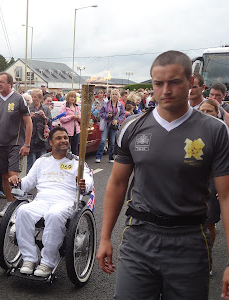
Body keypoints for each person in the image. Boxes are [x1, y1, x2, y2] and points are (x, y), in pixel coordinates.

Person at [96, 50, 229, 300]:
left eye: (174, 82)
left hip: (189, 241)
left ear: (191, 83)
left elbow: (227, 196)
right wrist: (104, 238)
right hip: (139, 238)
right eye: (159, 83)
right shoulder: (132, 127)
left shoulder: (215, 130)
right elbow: (117, 183)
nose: (165, 90)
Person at [9, 126, 93, 277]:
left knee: (54, 215)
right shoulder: (42, 161)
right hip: (42, 199)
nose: (63, 141)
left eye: (65, 138)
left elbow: (88, 183)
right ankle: (29, 258)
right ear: (50, 142)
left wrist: (83, 184)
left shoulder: (77, 162)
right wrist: (17, 181)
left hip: (66, 201)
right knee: (23, 211)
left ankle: (48, 262)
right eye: (59, 138)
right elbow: (28, 183)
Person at [0, 72, 32, 217]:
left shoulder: (19, 99)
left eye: (2, 81)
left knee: (13, 175)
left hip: (15, 143)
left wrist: (26, 144)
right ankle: (9, 204)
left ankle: (17, 207)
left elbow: (28, 122)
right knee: (4, 176)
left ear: (10, 84)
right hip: (0, 144)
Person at [199, 99, 222, 265]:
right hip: (193, 181)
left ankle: (207, 257)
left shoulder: (222, 132)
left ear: (217, 113)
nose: (205, 114)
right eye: (202, 111)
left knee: (209, 222)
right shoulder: (189, 130)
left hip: (214, 181)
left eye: (209, 111)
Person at [94, 88, 125, 163]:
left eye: (116, 94)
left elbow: (122, 114)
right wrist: (107, 115)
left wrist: (117, 120)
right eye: (113, 94)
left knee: (112, 141)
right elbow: (101, 113)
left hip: (114, 125)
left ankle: (111, 157)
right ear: (110, 95)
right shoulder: (106, 103)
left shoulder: (120, 105)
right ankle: (98, 157)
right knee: (103, 140)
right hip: (106, 123)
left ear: (118, 96)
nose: (114, 96)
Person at [27, 89, 52, 172]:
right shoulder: (28, 108)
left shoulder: (45, 108)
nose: (34, 99)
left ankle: (40, 182)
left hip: (42, 140)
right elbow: (22, 123)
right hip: (32, 139)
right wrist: (29, 118)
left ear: (40, 98)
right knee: (31, 164)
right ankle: (30, 183)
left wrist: (44, 117)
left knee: (42, 164)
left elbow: (50, 123)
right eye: (32, 97)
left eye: (36, 97)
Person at [59, 91, 81, 155]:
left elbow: (80, 118)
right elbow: (61, 119)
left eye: (74, 97)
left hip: (76, 131)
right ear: (68, 97)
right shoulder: (64, 107)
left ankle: (74, 163)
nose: (72, 98)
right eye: (71, 97)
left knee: (75, 149)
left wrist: (78, 118)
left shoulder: (77, 107)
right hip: (67, 131)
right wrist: (71, 117)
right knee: (66, 149)